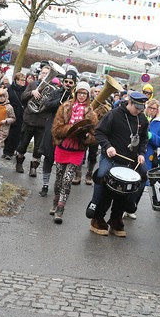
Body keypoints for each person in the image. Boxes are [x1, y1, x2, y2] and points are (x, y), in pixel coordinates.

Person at [87, 90, 149, 237]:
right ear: (130, 102)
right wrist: (108, 146)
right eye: (136, 108)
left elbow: (144, 139)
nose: (138, 111)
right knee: (103, 176)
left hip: (131, 160)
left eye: (141, 109)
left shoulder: (143, 119)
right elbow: (100, 132)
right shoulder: (114, 114)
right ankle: (96, 214)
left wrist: (141, 153)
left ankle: (119, 216)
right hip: (112, 157)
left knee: (143, 176)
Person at [49, 81, 99, 222]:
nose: (82, 96)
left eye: (85, 93)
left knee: (67, 180)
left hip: (77, 151)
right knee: (59, 179)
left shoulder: (91, 114)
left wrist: (85, 136)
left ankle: (60, 209)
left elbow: (95, 136)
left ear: (88, 95)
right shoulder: (65, 107)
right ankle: (55, 202)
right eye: (80, 93)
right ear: (75, 93)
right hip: (62, 147)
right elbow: (55, 129)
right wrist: (70, 130)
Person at [38, 71, 76, 196]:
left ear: (74, 84)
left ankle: (59, 186)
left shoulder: (75, 97)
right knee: (48, 156)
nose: (68, 84)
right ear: (63, 82)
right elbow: (46, 105)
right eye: (66, 82)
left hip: (66, 131)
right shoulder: (55, 92)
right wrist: (59, 102)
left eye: (71, 82)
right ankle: (45, 185)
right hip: (52, 128)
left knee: (63, 160)